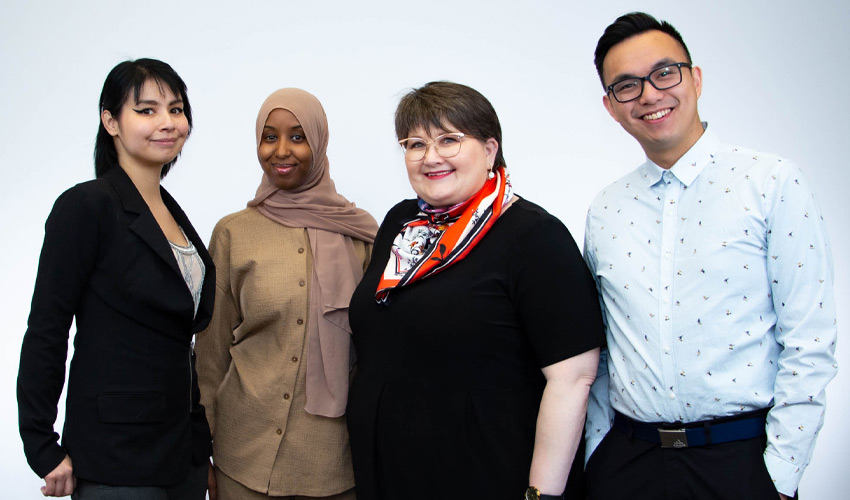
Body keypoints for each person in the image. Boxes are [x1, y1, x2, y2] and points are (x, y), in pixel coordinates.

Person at [583, 12, 837, 500]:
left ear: (695, 78)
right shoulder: (606, 209)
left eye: (664, 73)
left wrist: (779, 476)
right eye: (626, 86)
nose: (650, 95)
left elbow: (809, 340)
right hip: (629, 463)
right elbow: (605, 351)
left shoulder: (771, 181)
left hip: (740, 463)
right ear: (611, 106)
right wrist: (599, 453)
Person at [346, 81, 604, 500]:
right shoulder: (401, 223)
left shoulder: (534, 236)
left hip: (485, 474)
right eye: (415, 144)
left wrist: (541, 495)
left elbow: (573, 379)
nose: (430, 157)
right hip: (391, 472)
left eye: (449, 140)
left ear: (489, 149)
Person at [17, 58, 214, 499]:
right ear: (111, 121)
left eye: (177, 109)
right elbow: (47, 330)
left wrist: (200, 446)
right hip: (116, 457)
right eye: (146, 110)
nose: (167, 122)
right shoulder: (87, 206)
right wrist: (40, 445)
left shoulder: (172, 212)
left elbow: (178, 340)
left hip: (181, 454)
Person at [195, 88, 378, 500]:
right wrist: (198, 451)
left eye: (298, 137)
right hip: (242, 458)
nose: (281, 151)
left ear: (319, 141)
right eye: (269, 136)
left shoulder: (362, 237)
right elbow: (210, 353)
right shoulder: (233, 233)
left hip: (333, 464)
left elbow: (377, 353)